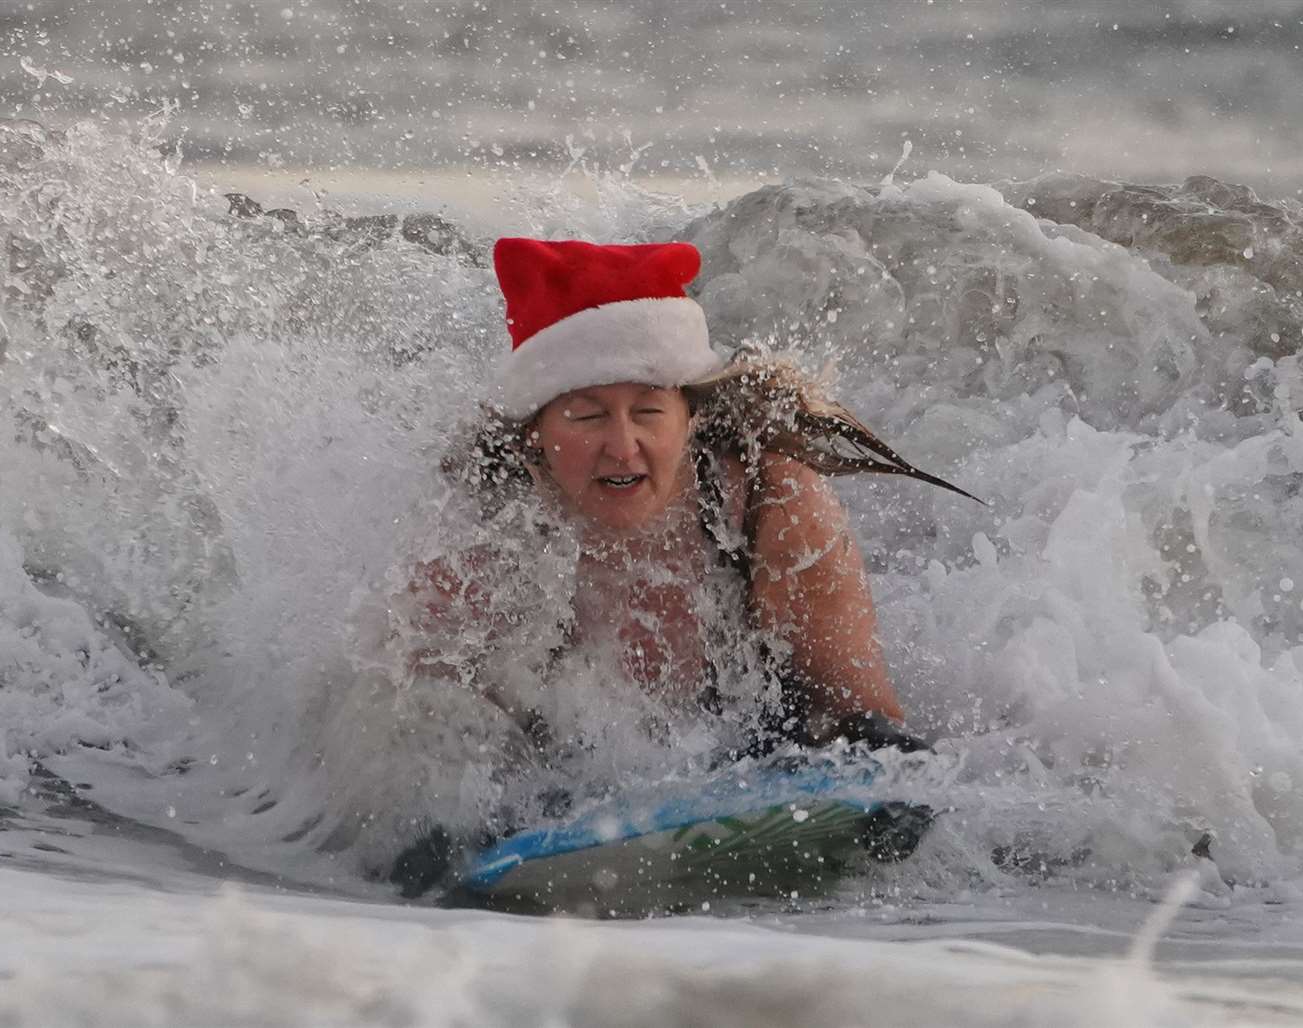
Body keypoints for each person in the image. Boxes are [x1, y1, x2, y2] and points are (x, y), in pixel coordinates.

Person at [383, 238, 951, 894]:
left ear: (690, 418)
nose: (623, 447)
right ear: (534, 430)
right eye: (588, 415)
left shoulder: (774, 507)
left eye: (649, 412)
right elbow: (428, 732)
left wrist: (897, 781)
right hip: (554, 794)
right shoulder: (489, 538)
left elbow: (861, 710)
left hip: (756, 756)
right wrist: (429, 835)